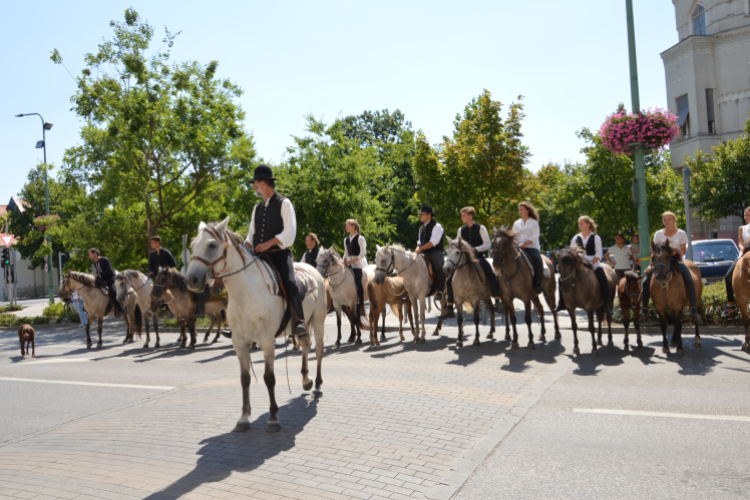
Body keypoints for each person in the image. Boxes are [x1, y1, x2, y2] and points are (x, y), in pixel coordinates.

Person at [244, 164, 308, 337]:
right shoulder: (256, 208)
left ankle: (299, 322)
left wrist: (268, 244)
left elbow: (290, 233)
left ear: (263, 184)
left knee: (290, 282)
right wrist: (246, 246)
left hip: (279, 254)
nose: (253, 187)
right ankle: (241, 323)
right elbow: (251, 235)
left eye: (255, 183)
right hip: (258, 257)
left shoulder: (284, 203)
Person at [641, 211, 702, 325]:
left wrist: (670, 253)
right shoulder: (658, 234)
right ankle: (644, 310)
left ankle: (694, 309)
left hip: (677, 260)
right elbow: (655, 251)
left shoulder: (681, 233)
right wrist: (650, 265)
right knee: (646, 281)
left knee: (689, 279)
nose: (667, 221)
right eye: (665, 219)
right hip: (661, 262)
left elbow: (683, 250)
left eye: (669, 219)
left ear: (674, 220)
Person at [445, 207, 500, 316]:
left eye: (464, 216)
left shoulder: (481, 228)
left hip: (478, 257)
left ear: (470, 216)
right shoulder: (461, 230)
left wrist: (476, 249)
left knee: (491, 274)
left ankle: (497, 301)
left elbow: (487, 244)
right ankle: (450, 307)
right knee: (449, 280)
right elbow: (459, 246)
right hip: (464, 260)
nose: (462, 218)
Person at [557, 216, 612, 314]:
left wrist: (590, 263)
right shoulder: (576, 237)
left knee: (604, 279)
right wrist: (578, 256)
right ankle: (562, 303)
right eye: (579, 223)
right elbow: (571, 254)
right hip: (579, 264)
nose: (579, 225)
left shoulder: (596, 237)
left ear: (588, 224)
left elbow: (599, 255)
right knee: (561, 279)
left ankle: (607, 303)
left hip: (593, 263)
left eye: (582, 223)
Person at [722, 206, 750, 317]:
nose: (746, 217)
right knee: (728, 276)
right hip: (744, 254)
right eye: (745, 215)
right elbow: (740, 242)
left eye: (748, 215)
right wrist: (744, 250)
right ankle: (731, 304)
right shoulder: (742, 228)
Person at [414, 205, 446, 302]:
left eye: (422, 214)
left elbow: (433, 242)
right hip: (423, 252)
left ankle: (440, 291)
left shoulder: (437, 226)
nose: (420, 216)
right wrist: (415, 251)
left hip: (435, 252)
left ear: (429, 215)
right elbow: (419, 243)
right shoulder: (421, 228)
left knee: (440, 268)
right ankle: (409, 290)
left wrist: (420, 249)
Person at [512, 201, 544, 294]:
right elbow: (514, 236)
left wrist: (525, 244)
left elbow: (535, 236)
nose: (520, 211)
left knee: (538, 259)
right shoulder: (516, 223)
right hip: (519, 247)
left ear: (527, 211)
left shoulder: (534, 222)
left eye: (522, 209)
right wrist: (516, 243)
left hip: (532, 247)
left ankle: (538, 284)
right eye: (519, 210)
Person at [88, 248, 122, 317]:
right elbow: (99, 273)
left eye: (90, 254)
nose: (89, 256)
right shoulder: (95, 263)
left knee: (113, 291)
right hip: (101, 280)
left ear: (95, 254)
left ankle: (120, 309)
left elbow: (110, 271)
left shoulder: (105, 260)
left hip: (110, 280)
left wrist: (98, 275)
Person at [343, 219, 367, 316]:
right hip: (348, 262)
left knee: (358, 281)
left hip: (358, 263)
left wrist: (351, 261)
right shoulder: (346, 239)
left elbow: (362, 254)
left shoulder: (360, 238)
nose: (346, 227)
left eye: (347, 226)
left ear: (353, 227)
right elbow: (346, 252)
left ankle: (361, 306)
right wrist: (344, 260)